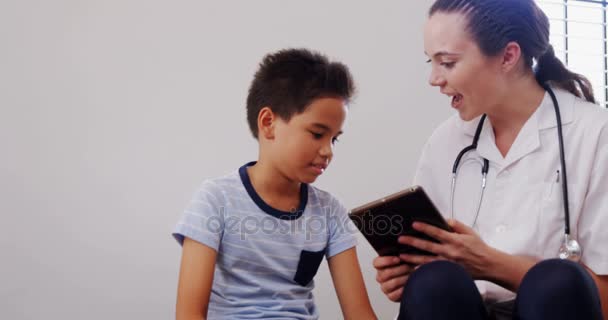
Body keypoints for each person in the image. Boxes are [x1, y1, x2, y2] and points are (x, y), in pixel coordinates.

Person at [373, 0, 608, 319]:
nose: (434, 79)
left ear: (508, 56)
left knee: (559, 282)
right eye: (432, 62)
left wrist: (490, 264)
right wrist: (407, 275)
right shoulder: (447, 141)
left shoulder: (594, 133)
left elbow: (602, 300)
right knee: (433, 283)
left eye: (448, 63)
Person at [172, 48, 377, 320]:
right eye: (317, 134)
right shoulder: (214, 200)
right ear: (268, 123)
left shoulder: (329, 212)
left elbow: (359, 314)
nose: (328, 151)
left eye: (334, 139)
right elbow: (188, 314)